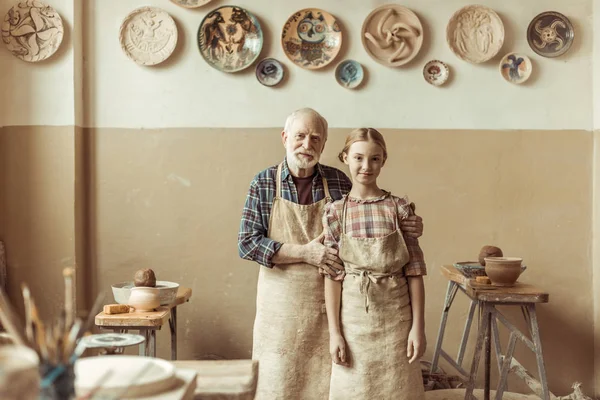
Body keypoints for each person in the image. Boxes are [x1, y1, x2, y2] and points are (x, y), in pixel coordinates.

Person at [238, 109, 424, 399]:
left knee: (328, 383)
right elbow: (247, 243)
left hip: (331, 305)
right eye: (300, 136)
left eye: (316, 138)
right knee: (279, 382)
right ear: (285, 138)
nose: (307, 144)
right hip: (281, 305)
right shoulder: (263, 183)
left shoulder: (338, 182)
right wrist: (303, 253)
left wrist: (409, 224)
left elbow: (368, 217)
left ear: (324, 145)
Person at [323, 128, 427, 399]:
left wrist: (418, 328)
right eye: (358, 158)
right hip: (354, 322)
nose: (366, 166)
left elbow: (414, 272)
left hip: (396, 321)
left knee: (398, 389)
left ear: (384, 160)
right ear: (345, 157)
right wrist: (335, 333)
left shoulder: (399, 209)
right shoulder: (336, 212)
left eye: (374, 159)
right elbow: (333, 277)